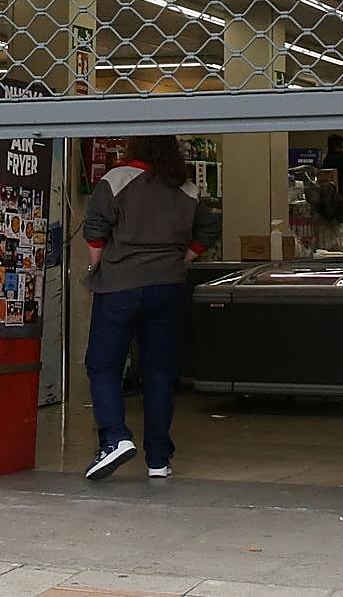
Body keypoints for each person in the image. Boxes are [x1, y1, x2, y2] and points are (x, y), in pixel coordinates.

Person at [82, 135, 222, 481]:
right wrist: (183, 257)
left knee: (103, 365)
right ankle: (158, 458)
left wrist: (96, 266)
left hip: (120, 287)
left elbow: (95, 229)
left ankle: (114, 437)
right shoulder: (185, 187)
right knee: (159, 373)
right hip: (169, 286)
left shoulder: (117, 179)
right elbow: (209, 227)